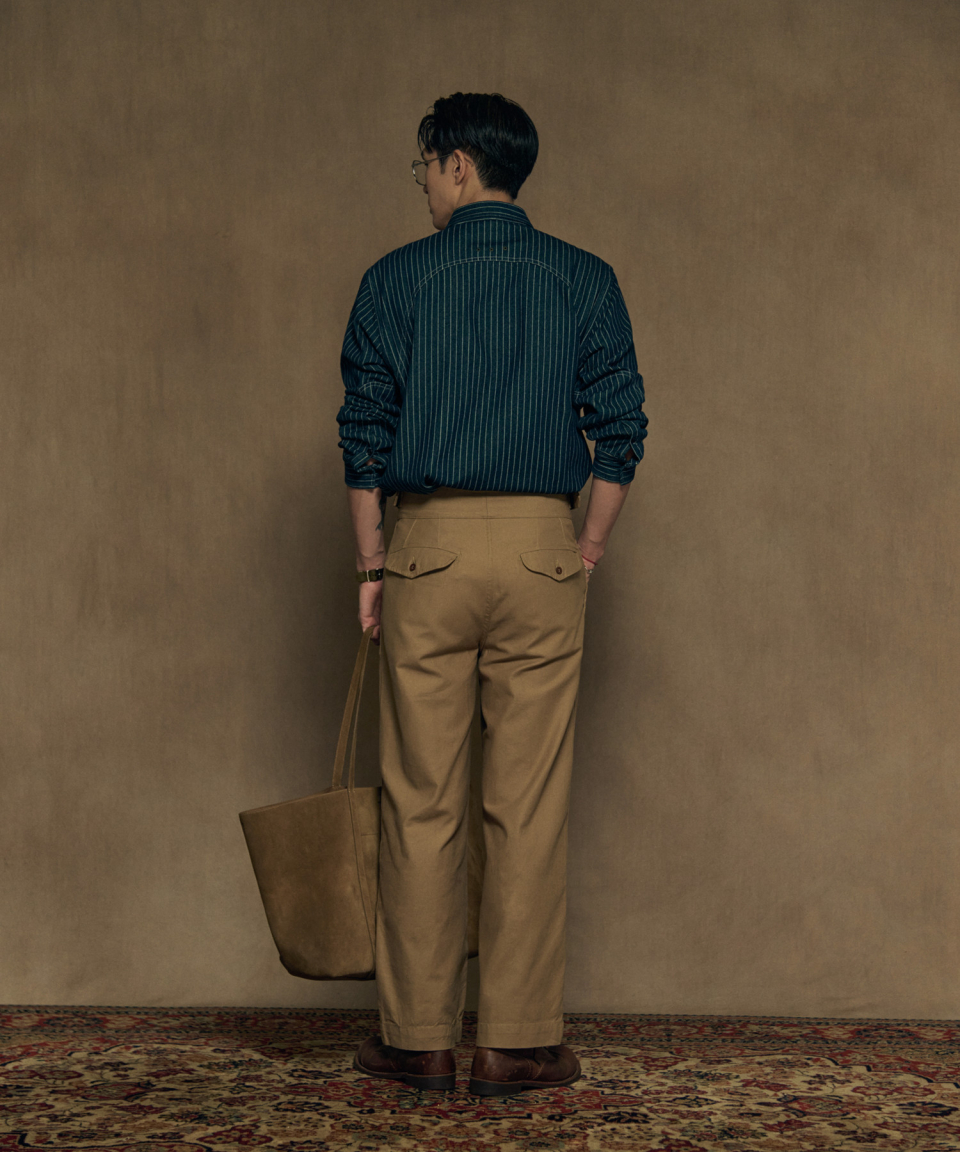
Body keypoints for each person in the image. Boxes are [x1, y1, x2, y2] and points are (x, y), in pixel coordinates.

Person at [336, 92, 647, 1096]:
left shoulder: (396, 279)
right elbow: (622, 432)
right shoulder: (583, 277)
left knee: (420, 800)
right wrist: (583, 548)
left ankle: (419, 1038)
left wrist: (373, 569)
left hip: (425, 550)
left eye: (425, 167)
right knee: (529, 802)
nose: (424, 185)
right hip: (540, 550)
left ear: (459, 164)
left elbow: (364, 437)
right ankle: (515, 1040)